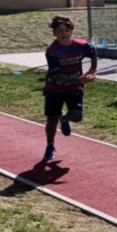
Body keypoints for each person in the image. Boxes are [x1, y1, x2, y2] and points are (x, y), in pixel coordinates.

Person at [42, 15, 97, 161]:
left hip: (74, 88)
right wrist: (79, 79)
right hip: (54, 89)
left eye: (67, 30)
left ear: (71, 31)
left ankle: (64, 119)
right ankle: (50, 145)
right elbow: (57, 76)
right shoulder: (52, 51)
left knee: (77, 116)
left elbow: (93, 52)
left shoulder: (81, 45)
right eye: (60, 31)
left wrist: (91, 70)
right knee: (51, 120)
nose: (64, 33)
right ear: (54, 33)